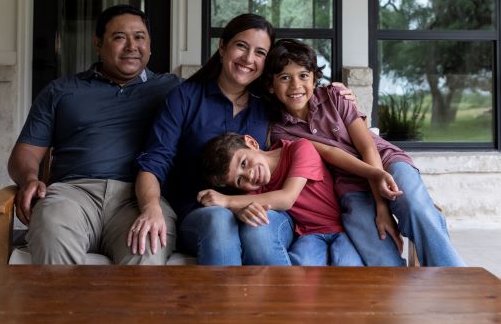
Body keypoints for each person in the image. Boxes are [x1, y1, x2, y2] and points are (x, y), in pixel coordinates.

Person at [131, 13, 358, 265]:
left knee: (261, 225)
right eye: (241, 46)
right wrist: (151, 207)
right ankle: (229, 305)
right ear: (222, 47)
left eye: (260, 52)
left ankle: (281, 304)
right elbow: (154, 161)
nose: (248, 59)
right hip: (200, 209)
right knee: (219, 220)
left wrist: (333, 94)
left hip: (263, 202)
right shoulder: (185, 98)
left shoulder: (269, 103)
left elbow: (305, 106)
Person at [264, 39, 465, 267]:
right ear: (271, 85)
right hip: (349, 183)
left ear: (314, 78)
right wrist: (378, 202)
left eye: (303, 75)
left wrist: (382, 205)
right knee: (377, 248)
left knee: (416, 208)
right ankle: (398, 293)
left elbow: (367, 146)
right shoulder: (282, 131)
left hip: (386, 161)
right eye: (284, 77)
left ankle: (458, 280)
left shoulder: (334, 97)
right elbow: (331, 153)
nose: (295, 86)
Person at [7, 4, 180, 264]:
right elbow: (26, 152)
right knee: (51, 229)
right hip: (72, 194)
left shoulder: (173, 91)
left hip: (139, 199)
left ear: (150, 45)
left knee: (149, 247)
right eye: (119, 37)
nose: (132, 46)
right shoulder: (62, 91)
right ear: (98, 43)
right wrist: (30, 178)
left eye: (140, 37)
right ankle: (65, 307)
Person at [199, 132, 397, 266]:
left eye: (244, 163)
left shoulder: (299, 149)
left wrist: (225, 201)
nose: (249, 176)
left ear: (252, 142)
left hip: (342, 230)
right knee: (301, 269)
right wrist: (239, 209)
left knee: (348, 266)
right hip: (309, 235)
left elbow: (286, 198)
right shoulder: (256, 190)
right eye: (240, 180)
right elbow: (248, 206)